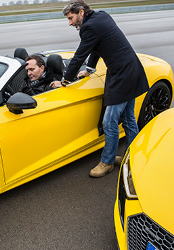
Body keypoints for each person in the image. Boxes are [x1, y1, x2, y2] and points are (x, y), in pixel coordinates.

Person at [60, 0, 149, 177]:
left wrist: (65, 80)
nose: (70, 23)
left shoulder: (89, 28)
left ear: (81, 12)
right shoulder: (101, 16)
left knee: (109, 121)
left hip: (122, 75)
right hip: (131, 69)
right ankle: (133, 157)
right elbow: (96, 46)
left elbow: (79, 55)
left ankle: (107, 162)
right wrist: (89, 69)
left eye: (71, 18)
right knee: (129, 118)